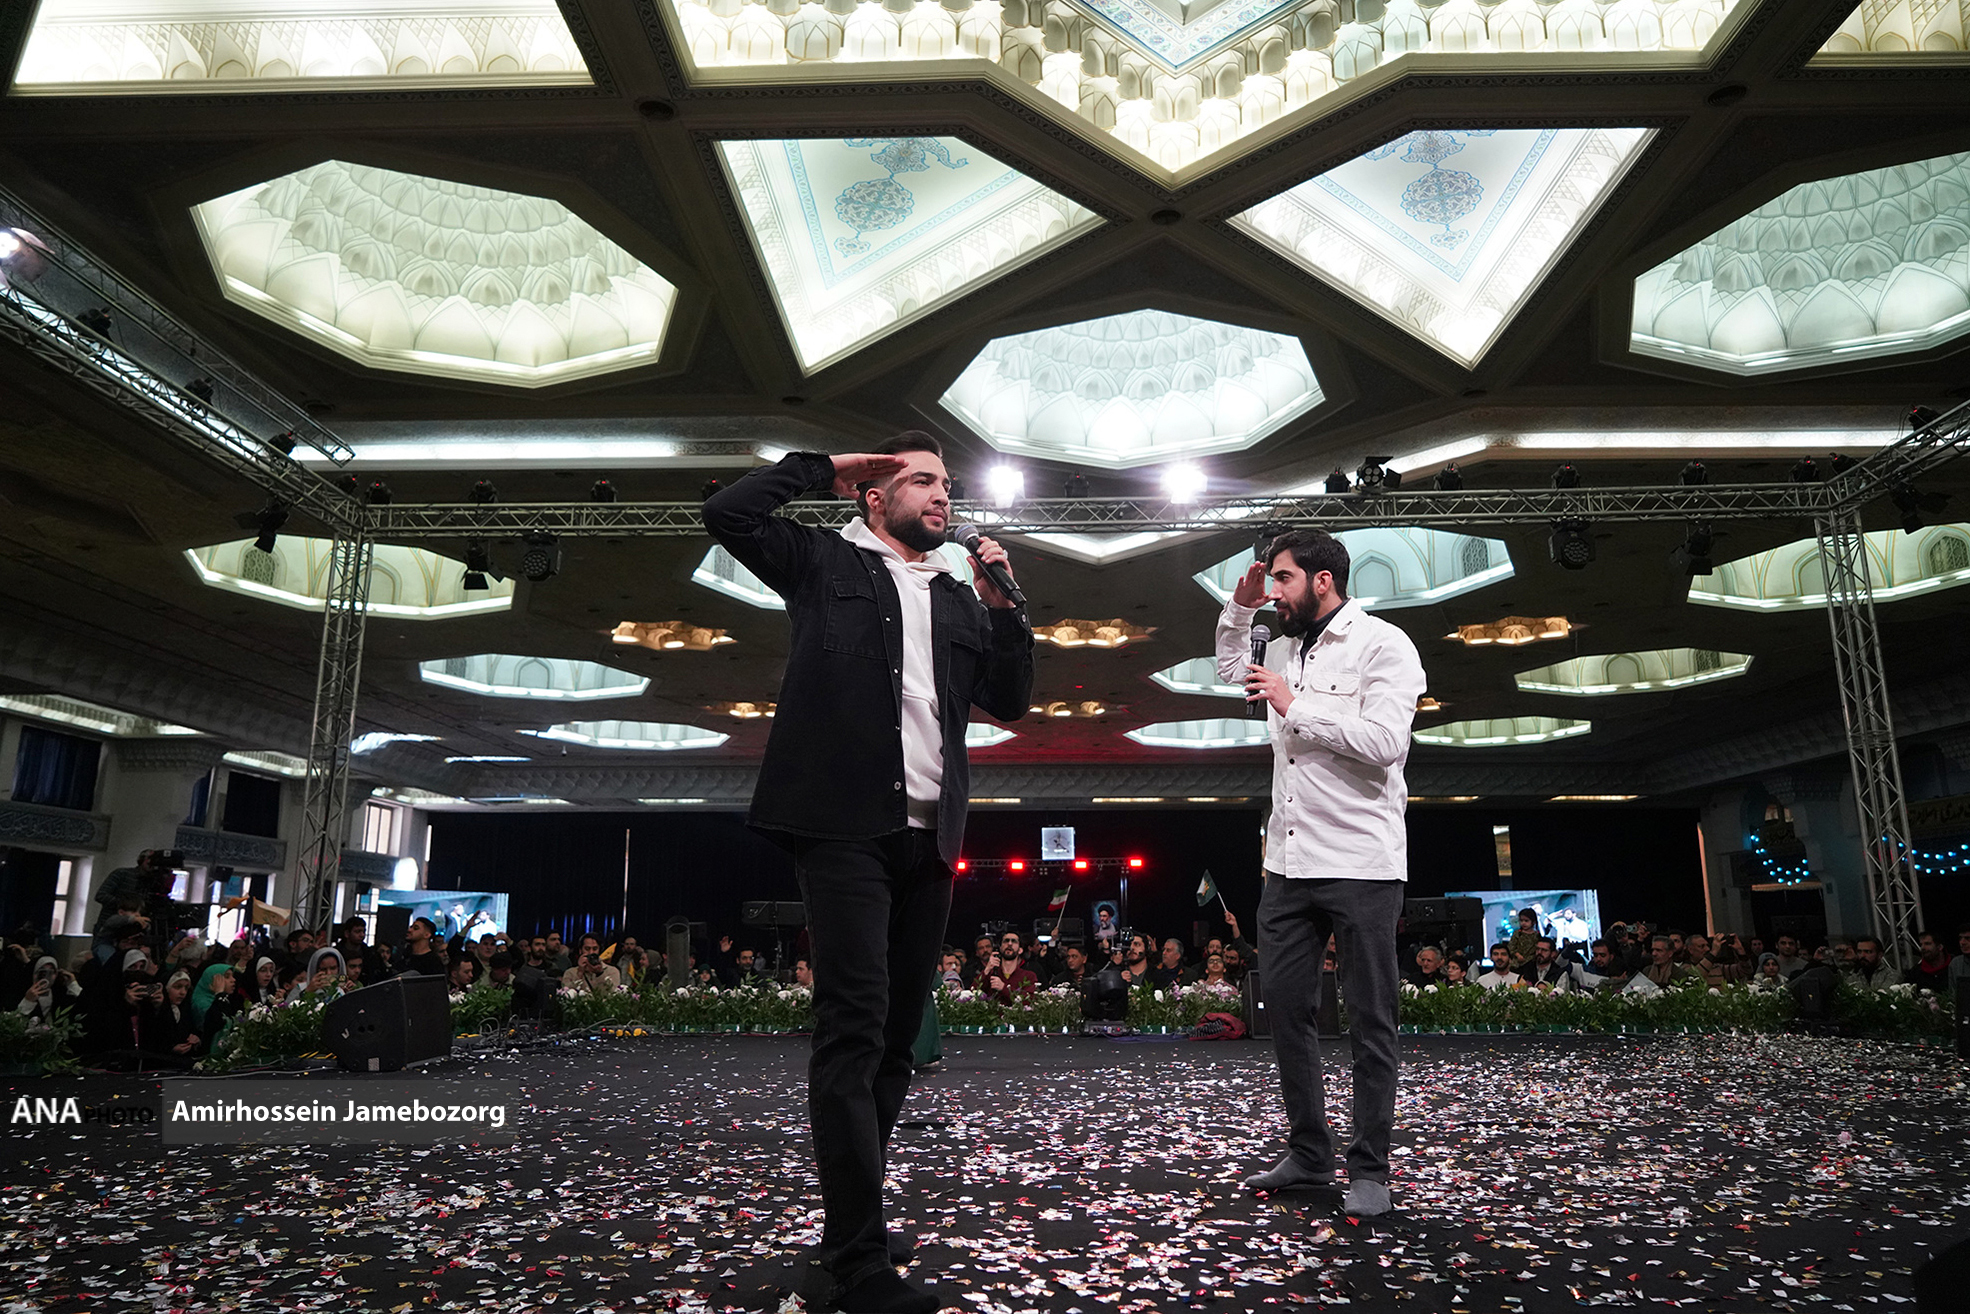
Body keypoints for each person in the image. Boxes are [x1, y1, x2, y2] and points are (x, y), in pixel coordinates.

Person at [704, 432, 1034, 1314]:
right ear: (874, 497)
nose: (942, 496)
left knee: (894, 1040)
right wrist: (830, 467)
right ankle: (858, 1257)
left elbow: (1010, 700)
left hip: (932, 835)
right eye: (922, 481)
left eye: (947, 484)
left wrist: (1005, 607)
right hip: (843, 827)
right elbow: (728, 514)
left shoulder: (957, 593)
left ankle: (849, 1224)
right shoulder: (825, 563)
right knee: (851, 1032)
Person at [1217, 527, 1426, 1218]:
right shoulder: (1279, 646)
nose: (1275, 591)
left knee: (1370, 1020)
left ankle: (1370, 1168)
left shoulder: (1383, 645)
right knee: (1285, 1010)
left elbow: (1385, 743)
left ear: (1323, 581)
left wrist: (1294, 705)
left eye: (1282, 579)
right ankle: (1310, 1152)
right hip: (1287, 863)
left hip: (1361, 862)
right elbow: (1229, 666)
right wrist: (1241, 607)